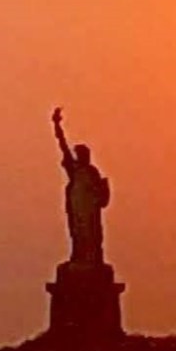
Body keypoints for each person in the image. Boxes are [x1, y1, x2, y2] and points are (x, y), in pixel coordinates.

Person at [51, 107, 111, 266]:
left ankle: (92, 260)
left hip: (89, 210)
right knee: (77, 234)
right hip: (77, 207)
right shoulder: (74, 169)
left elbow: (101, 195)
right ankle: (79, 258)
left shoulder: (92, 172)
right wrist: (57, 126)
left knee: (91, 234)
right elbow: (62, 146)